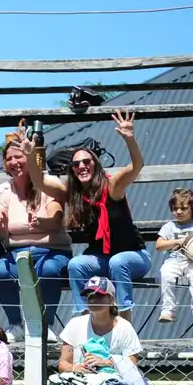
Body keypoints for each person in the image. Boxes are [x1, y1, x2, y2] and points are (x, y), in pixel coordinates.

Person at [57, 112, 149, 321]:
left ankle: (124, 324)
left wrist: (129, 138)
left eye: (86, 161)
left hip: (134, 256)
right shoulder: (76, 195)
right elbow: (41, 183)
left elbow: (137, 166)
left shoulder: (113, 187)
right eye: (76, 164)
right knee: (76, 265)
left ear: (95, 164)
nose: (81, 166)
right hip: (103, 259)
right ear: (72, 170)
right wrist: (32, 155)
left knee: (118, 262)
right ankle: (82, 321)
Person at [0, 129, 71, 331]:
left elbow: (56, 220)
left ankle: (46, 325)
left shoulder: (49, 183)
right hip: (16, 252)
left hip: (52, 250)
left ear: (30, 158)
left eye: (19, 157)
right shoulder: (3, 190)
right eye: (9, 159)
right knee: (0, 272)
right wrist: (0, 225)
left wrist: (40, 222)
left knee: (49, 270)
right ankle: (15, 324)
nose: (14, 162)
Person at [157, 188, 193, 322]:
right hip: (175, 260)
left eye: (183, 208)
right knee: (165, 274)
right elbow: (159, 245)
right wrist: (178, 241)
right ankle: (167, 309)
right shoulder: (169, 227)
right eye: (175, 208)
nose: (178, 212)